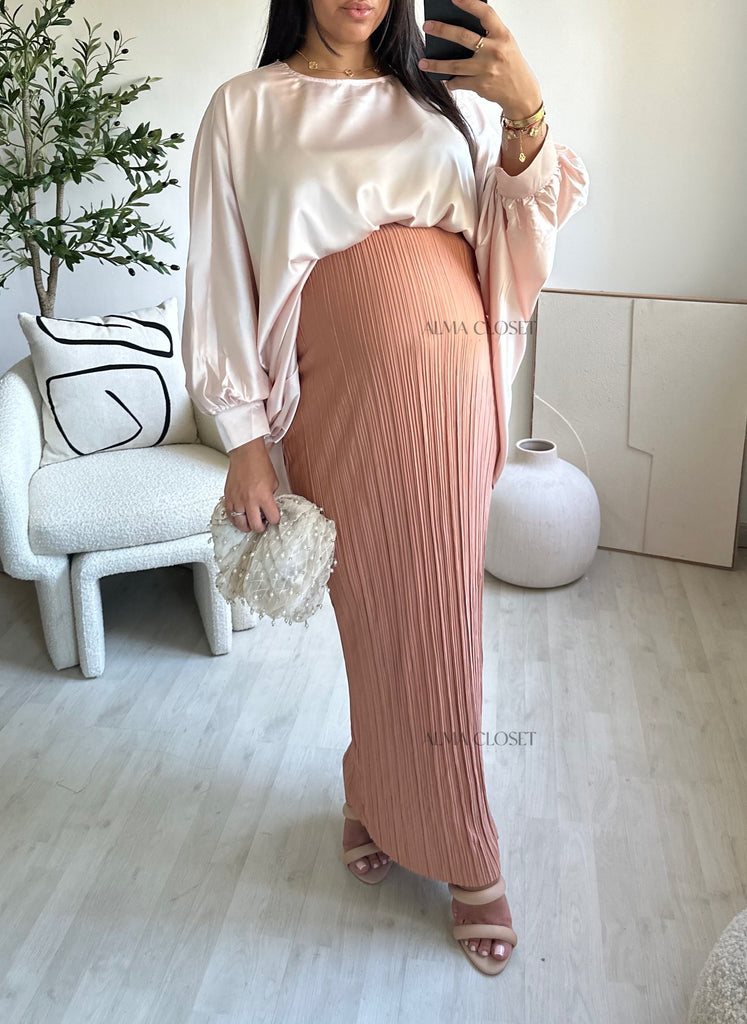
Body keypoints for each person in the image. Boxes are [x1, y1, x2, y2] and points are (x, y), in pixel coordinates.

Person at [182, 0, 589, 977]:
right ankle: (373, 785)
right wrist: (242, 437)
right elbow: (220, 275)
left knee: (442, 617)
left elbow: (510, 241)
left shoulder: (446, 100)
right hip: (335, 398)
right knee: (373, 616)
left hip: (455, 391)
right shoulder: (244, 108)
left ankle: (463, 844)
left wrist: (525, 112)